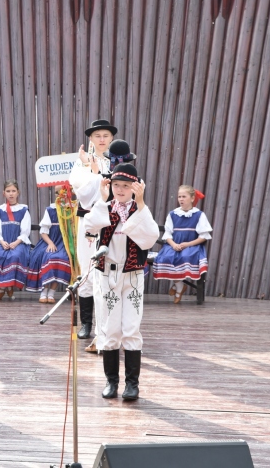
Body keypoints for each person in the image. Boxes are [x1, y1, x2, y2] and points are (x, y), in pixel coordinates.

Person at [85, 163, 160, 401]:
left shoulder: (140, 211)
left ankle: (132, 384)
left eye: (125, 186)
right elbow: (89, 225)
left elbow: (150, 238)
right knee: (109, 329)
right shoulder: (105, 209)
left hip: (133, 276)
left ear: (135, 188)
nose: (120, 189)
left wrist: (142, 204)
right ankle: (111, 382)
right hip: (107, 275)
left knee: (131, 328)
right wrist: (102, 197)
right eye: (116, 184)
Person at [68, 120, 118, 339]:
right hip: (89, 221)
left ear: (112, 138)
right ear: (90, 139)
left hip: (112, 222)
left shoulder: (119, 161)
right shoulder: (81, 162)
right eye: (97, 135)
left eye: (105, 135)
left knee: (110, 270)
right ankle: (86, 323)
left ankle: (107, 324)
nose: (101, 139)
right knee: (88, 268)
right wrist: (91, 167)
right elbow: (82, 190)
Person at [152, 185, 211, 303]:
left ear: (192, 198)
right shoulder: (173, 214)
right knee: (167, 257)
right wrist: (173, 245)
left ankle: (177, 287)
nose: (181, 199)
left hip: (192, 246)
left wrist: (187, 244)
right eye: (179, 197)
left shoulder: (199, 215)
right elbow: (167, 234)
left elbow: (203, 237)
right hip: (174, 245)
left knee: (185, 257)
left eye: (184, 196)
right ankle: (179, 286)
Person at [0, 179, 32, 300]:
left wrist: (16, 242)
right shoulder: (0, 210)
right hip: (3, 241)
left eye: (13, 191)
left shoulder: (24, 209)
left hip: (18, 242)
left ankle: (9, 286)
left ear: (18, 192)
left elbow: (26, 231)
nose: (11, 193)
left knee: (15, 255)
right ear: (4, 193)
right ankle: (3, 286)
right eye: (8, 191)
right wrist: (2, 242)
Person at [26, 185, 74, 303]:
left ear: (70, 193)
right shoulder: (51, 209)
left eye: (63, 192)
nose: (60, 196)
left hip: (66, 242)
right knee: (47, 256)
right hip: (50, 240)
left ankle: (52, 292)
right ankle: (44, 291)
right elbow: (43, 232)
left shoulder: (73, 208)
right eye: (57, 193)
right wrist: (50, 243)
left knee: (60, 258)